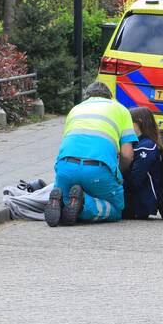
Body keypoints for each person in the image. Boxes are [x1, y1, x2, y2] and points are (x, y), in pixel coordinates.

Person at [45, 82, 137, 227]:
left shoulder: (75, 109)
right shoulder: (121, 110)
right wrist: (119, 174)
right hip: (98, 169)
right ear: (110, 97)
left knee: (67, 190)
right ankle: (82, 205)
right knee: (116, 209)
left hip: (66, 166)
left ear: (86, 97)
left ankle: (60, 201)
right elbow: (127, 155)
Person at [122, 107, 163, 220]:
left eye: (128, 123)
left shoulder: (147, 146)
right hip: (134, 201)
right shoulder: (137, 143)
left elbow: (135, 180)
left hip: (139, 204)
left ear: (138, 123)